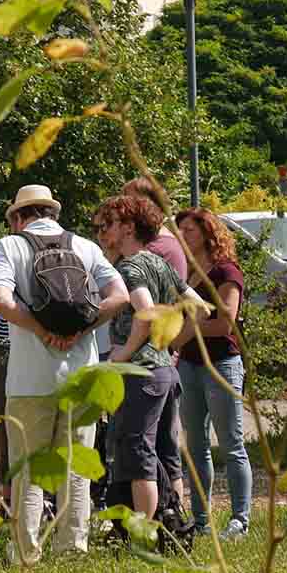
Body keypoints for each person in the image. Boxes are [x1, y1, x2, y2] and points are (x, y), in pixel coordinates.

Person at [0, 185, 128, 563]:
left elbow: (1, 300)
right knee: (75, 468)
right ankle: (72, 549)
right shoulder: (85, 247)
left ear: (18, 217)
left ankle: (26, 553)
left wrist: (39, 330)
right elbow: (120, 295)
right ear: (52, 212)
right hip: (80, 375)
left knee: (29, 469)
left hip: (30, 378)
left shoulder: (10, 247)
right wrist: (81, 330)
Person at [94, 195, 190, 518]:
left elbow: (146, 313)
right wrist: (171, 343)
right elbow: (201, 307)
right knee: (167, 453)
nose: (102, 233)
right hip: (166, 372)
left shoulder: (130, 266)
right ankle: (174, 524)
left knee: (138, 453)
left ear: (129, 228)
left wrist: (124, 352)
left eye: (108, 225)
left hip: (141, 374)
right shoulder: (159, 263)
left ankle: (144, 534)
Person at [172, 207, 252, 540]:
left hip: (221, 365)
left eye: (189, 230)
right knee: (195, 446)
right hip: (188, 366)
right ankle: (202, 520)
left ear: (207, 233)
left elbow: (225, 322)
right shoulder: (186, 271)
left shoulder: (225, 272)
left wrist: (186, 333)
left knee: (232, 444)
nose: (183, 237)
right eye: (180, 231)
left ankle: (240, 520)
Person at [122, 176, 188, 280]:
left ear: (154, 204)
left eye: (133, 201)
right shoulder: (149, 240)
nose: (124, 207)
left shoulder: (156, 247)